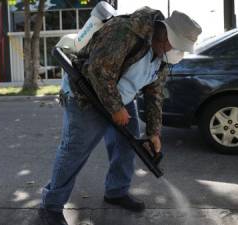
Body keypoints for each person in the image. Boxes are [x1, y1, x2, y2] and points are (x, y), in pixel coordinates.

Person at [38, 6, 202, 225]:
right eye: (176, 45)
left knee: (127, 145)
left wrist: (154, 132)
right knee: (74, 152)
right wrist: (116, 109)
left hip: (120, 97)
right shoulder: (124, 31)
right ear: (165, 35)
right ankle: (50, 207)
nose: (177, 51)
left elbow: (154, 94)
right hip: (85, 95)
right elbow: (99, 71)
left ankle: (116, 191)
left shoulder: (164, 56)